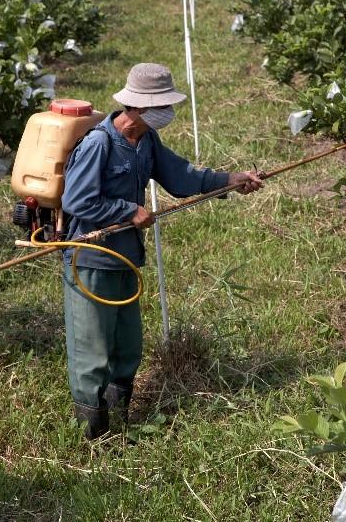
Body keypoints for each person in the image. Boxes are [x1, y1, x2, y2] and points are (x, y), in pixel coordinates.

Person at [61, 63, 263, 439]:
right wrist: (128, 210)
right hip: (90, 261)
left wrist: (228, 181)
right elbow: (77, 200)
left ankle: (119, 415)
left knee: (127, 344)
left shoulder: (146, 140)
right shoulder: (98, 143)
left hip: (126, 258)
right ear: (135, 107)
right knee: (93, 350)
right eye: (157, 106)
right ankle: (92, 435)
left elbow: (181, 176)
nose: (164, 114)